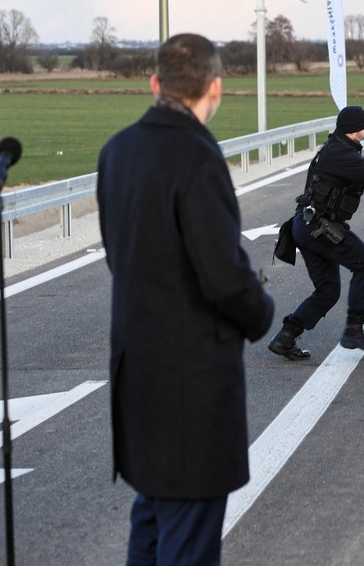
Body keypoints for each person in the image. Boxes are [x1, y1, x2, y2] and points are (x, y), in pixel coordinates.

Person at [97, 33, 275, 565]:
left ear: (155, 84)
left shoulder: (117, 150)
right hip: (190, 385)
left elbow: (119, 255)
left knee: (152, 518)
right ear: (214, 88)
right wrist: (261, 311)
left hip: (137, 370)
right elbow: (222, 276)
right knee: (188, 534)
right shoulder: (198, 157)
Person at [267, 105, 364, 360]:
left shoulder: (335, 148)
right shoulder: (340, 154)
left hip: (307, 225)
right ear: (354, 130)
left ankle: (285, 338)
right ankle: (354, 329)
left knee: (328, 290)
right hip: (319, 227)